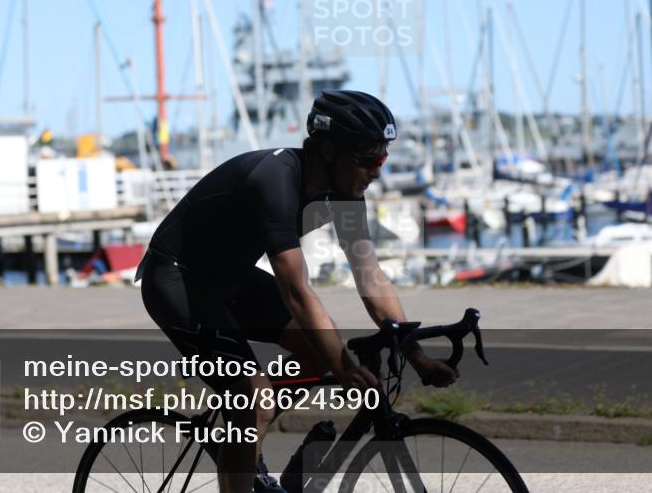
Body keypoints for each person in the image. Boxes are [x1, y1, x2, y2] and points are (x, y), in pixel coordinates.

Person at [138, 90, 457, 493]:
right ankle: (248, 420)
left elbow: (370, 274)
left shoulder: (345, 195)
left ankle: (245, 442)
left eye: (383, 157)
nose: (378, 169)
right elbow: (296, 290)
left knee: (316, 352)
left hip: (229, 277)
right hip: (177, 281)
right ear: (328, 150)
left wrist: (414, 353)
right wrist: (343, 368)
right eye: (367, 158)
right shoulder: (275, 180)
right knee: (256, 398)